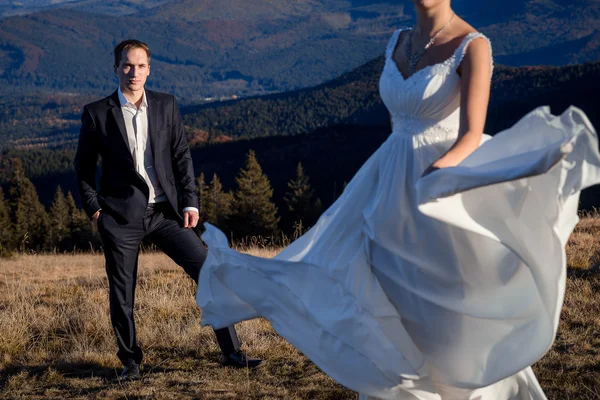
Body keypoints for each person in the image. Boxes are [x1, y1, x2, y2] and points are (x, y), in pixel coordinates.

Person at [197, 1, 600, 399]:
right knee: (381, 289)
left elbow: (471, 133)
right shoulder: (398, 41)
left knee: (441, 297)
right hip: (387, 179)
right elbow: (399, 121)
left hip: (437, 184)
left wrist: (436, 175)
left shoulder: (474, 45)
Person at [74, 39, 263, 381]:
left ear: (149, 68)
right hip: (120, 216)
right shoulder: (97, 112)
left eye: (140, 65)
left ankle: (232, 352)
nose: (134, 72)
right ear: (116, 68)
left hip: (166, 213)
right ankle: (130, 362)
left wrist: (190, 201)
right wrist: (95, 211)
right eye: (127, 65)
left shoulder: (166, 105)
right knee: (123, 293)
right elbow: (84, 168)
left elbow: (180, 156)